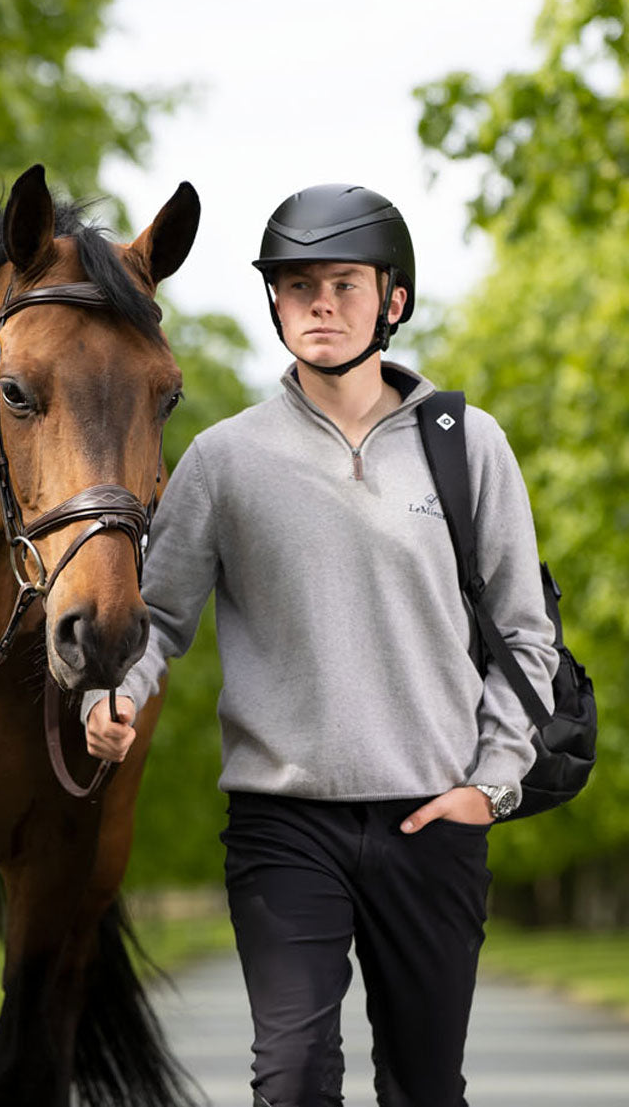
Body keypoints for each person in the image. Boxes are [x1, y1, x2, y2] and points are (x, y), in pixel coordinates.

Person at [82, 183, 558, 1107]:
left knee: (424, 1086)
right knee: (291, 1077)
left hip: (434, 817)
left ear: (395, 299)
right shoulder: (223, 459)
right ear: (275, 303)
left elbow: (523, 636)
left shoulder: (469, 445)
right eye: (297, 286)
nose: (321, 304)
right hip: (283, 822)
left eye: (344, 283)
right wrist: (118, 695)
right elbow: (159, 620)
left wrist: (488, 786)